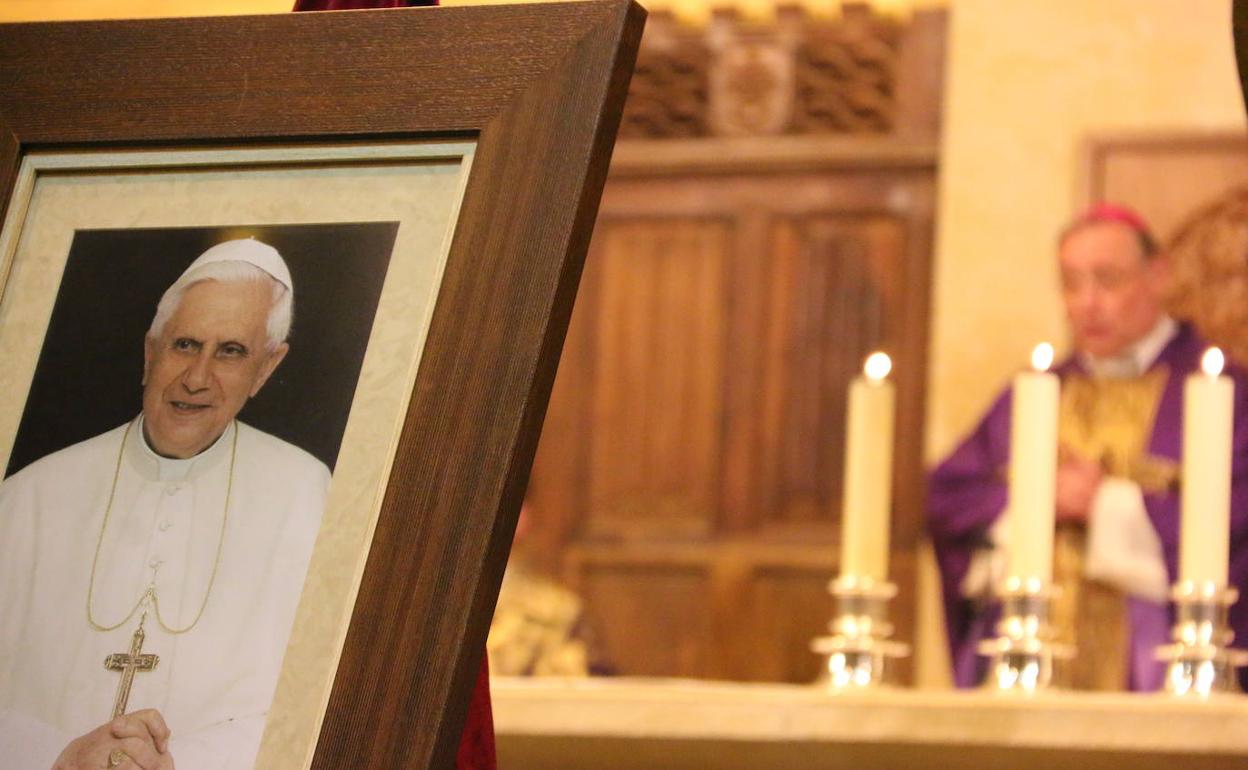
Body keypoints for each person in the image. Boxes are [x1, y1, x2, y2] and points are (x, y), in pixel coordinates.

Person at [0, 239, 330, 769]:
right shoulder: (28, 498)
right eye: (184, 344)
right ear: (149, 352)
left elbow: (320, 700)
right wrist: (57, 755)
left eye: (231, 352)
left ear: (267, 368)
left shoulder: (312, 499)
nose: (197, 379)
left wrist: (177, 764)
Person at [927, 204, 1248, 691]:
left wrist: (1108, 506)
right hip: (1032, 673)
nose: (1086, 303)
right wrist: (1033, 502)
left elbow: (1239, 518)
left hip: (1158, 675)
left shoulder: (1220, 391)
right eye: (1071, 284)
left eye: (1107, 280)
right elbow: (947, 499)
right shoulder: (1036, 393)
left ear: (1158, 277)